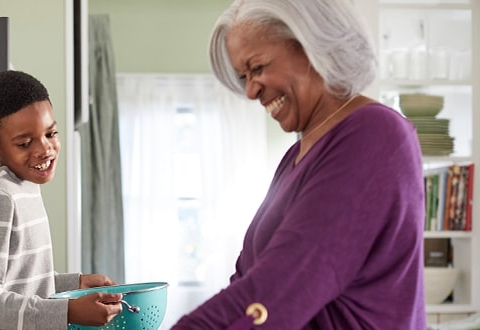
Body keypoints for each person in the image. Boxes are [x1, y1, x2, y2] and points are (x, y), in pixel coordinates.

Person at [172, 0, 425, 329]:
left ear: (310, 45)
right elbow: (248, 281)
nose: (250, 91)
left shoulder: (375, 135)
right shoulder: (295, 158)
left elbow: (281, 287)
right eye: (243, 76)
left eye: (258, 67)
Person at [0, 70, 123, 330]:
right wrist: (67, 311)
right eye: (24, 143)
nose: (45, 148)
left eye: (51, 133)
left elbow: (22, 283)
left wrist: (74, 284)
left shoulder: (25, 187)